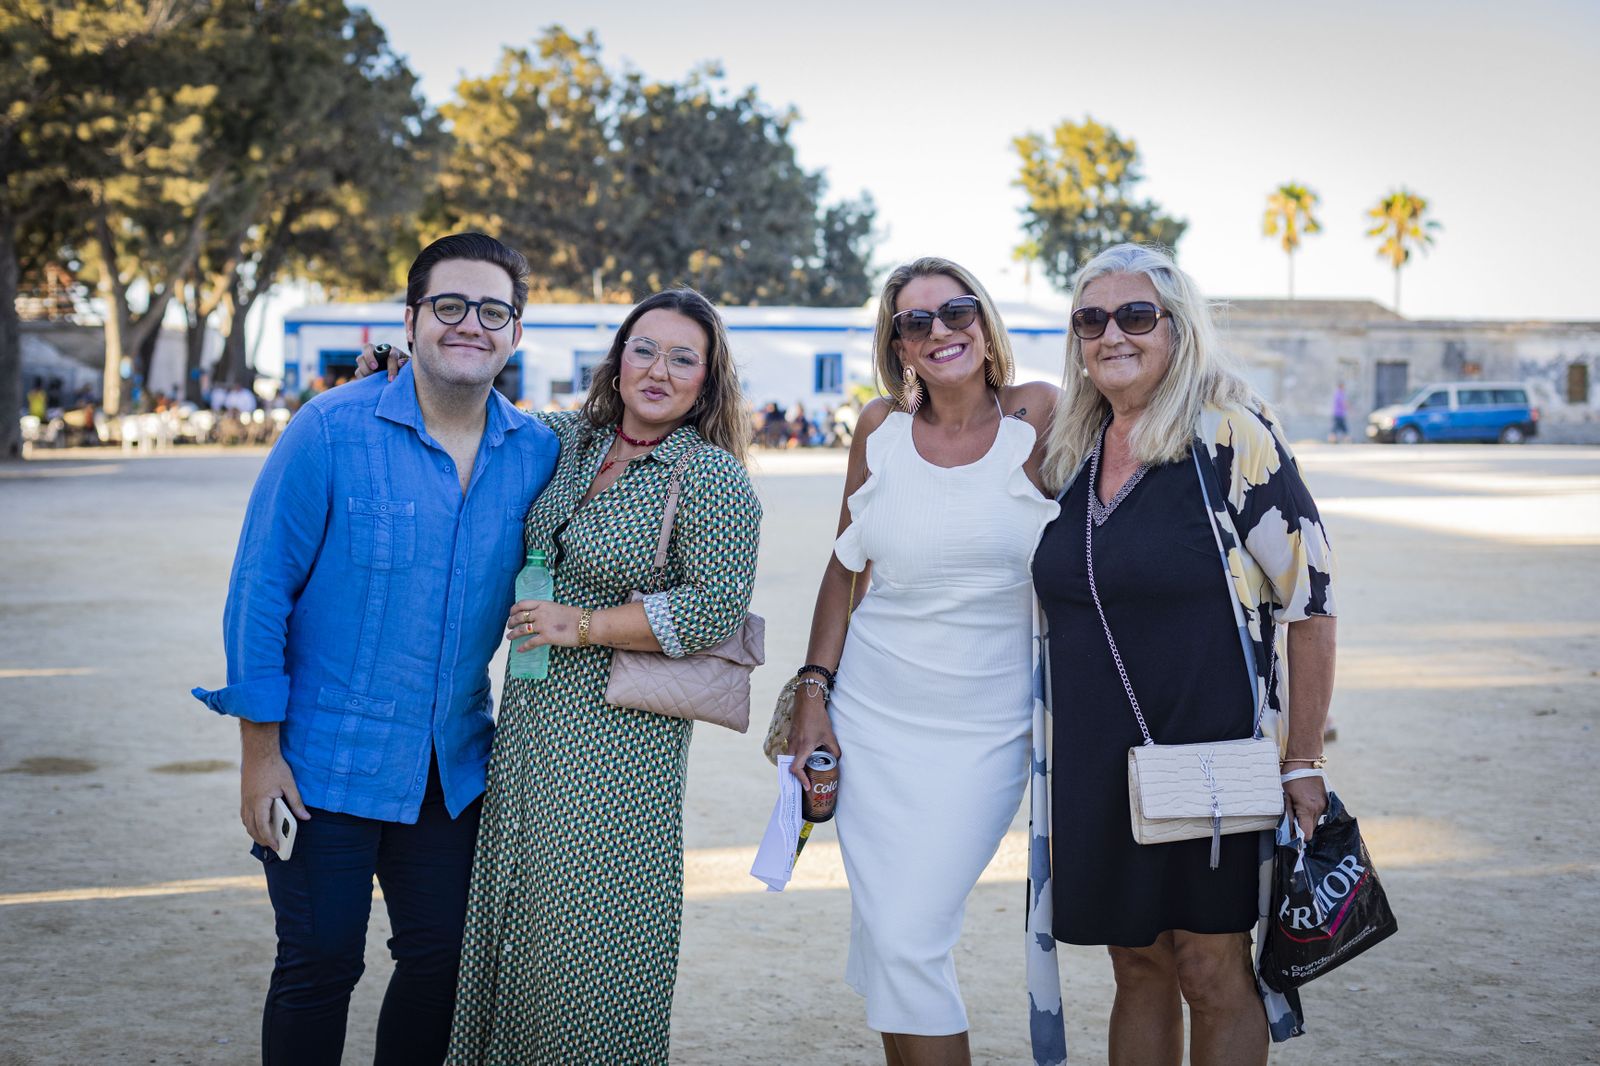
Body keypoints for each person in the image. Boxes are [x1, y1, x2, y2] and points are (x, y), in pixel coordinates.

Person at [360, 288, 762, 1062]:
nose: (657, 370)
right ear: (617, 359)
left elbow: (714, 608)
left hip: (620, 749)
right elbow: (482, 422)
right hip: (529, 729)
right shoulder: (569, 442)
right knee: (518, 921)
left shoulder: (710, 477)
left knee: (590, 936)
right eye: (643, 349)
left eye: (683, 359)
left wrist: (581, 626)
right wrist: (410, 367)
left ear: (708, 381)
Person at [191, 232, 560, 1065]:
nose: (471, 324)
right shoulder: (328, 430)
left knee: (443, 964)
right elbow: (259, 592)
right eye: (449, 306)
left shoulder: (538, 452)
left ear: (517, 331)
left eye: (493, 310)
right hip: (322, 764)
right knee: (320, 963)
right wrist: (259, 756)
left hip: (452, 771)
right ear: (411, 318)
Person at [1033, 243, 1337, 1065]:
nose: (1112, 336)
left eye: (1137, 316)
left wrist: (1303, 759)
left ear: (1180, 326)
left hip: (1212, 748)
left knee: (1209, 967)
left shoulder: (1228, 433)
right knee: (1135, 964)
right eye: (1091, 319)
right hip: (1098, 754)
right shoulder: (1072, 450)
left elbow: (1311, 599)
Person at [785, 257, 1059, 1066]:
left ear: (985, 322)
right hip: (870, 717)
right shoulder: (879, 430)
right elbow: (845, 566)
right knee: (890, 940)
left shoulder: (1040, 414)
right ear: (898, 345)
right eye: (916, 321)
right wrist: (812, 694)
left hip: (988, 729)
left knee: (908, 935)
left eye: (957, 311)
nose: (941, 331)